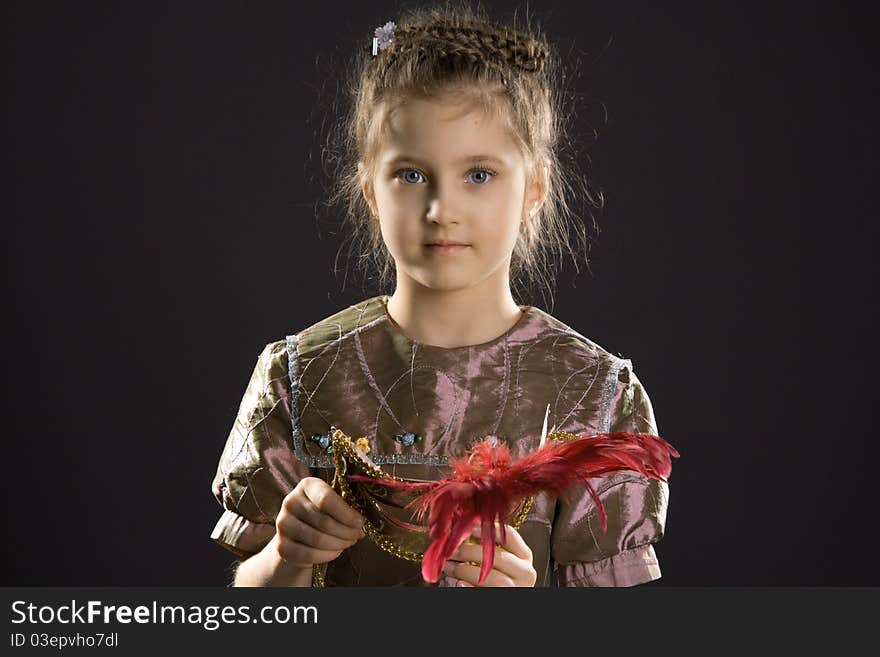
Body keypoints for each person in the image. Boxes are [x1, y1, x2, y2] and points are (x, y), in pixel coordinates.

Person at [210, 2, 672, 587]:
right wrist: (287, 556)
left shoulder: (593, 397)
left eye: (478, 174)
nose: (440, 210)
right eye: (410, 174)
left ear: (534, 188)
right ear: (370, 188)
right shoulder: (299, 377)